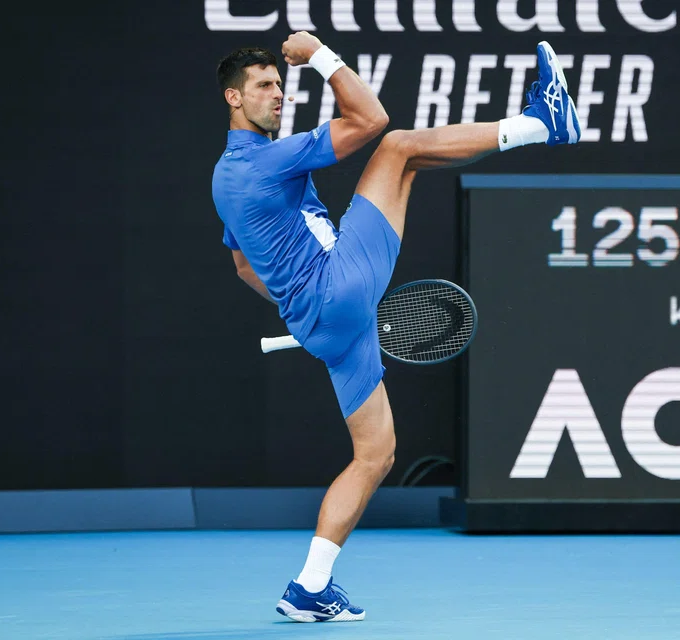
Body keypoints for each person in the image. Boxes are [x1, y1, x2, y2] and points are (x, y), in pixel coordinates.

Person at [211, 32, 581, 623]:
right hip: (339, 290)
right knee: (397, 147)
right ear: (233, 97)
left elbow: (243, 266)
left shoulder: (223, 180)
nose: (278, 94)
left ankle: (309, 586)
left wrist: (304, 314)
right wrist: (319, 56)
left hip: (322, 324)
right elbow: (371, 118)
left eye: (280, 83)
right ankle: (542, 123)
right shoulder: (268, 159)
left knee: (374, 455)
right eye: (264, 86)